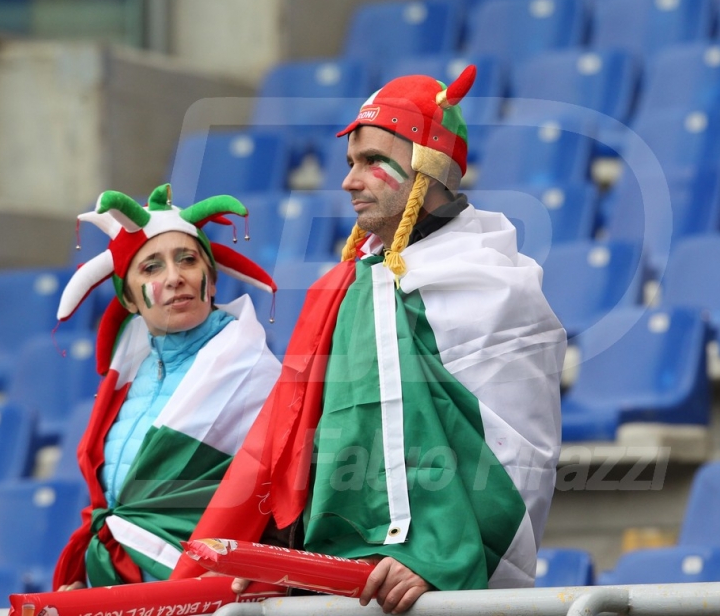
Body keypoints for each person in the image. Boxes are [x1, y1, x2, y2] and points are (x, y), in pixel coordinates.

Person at [171, 65, 566, 613]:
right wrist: (279, 556)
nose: (349, 182)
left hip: (433, 588)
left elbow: (520, 458)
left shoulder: (499, 286)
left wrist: (436, 557)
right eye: (351, 163)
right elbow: (300, 440)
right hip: (332, 582)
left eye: (373, 162)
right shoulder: (346, 287)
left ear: (428, 171)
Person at [52, 184, 281, 589]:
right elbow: (119, 511)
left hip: (212, 596)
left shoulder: (253, 373)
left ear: (209, 277)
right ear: (128, 299)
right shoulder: (126, 379)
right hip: (116, 588)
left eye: (188, 260)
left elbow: (284, 496)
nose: (175, 278)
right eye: (152, 267)